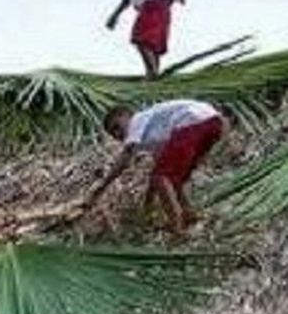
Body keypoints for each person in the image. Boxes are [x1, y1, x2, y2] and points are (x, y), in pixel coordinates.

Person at [85, 100, 228, 235]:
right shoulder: (155, 134)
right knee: (172, 180)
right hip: (214, 124)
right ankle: (189, 214)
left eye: (117, 127)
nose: (117, 135)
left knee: (162, 177)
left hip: (193, 120)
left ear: (127, 116)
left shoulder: (138, 120)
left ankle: (177, 227)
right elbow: (156, 174)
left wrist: (101, 187)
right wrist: (148, 204)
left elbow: (126, 158)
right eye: (113, 134)